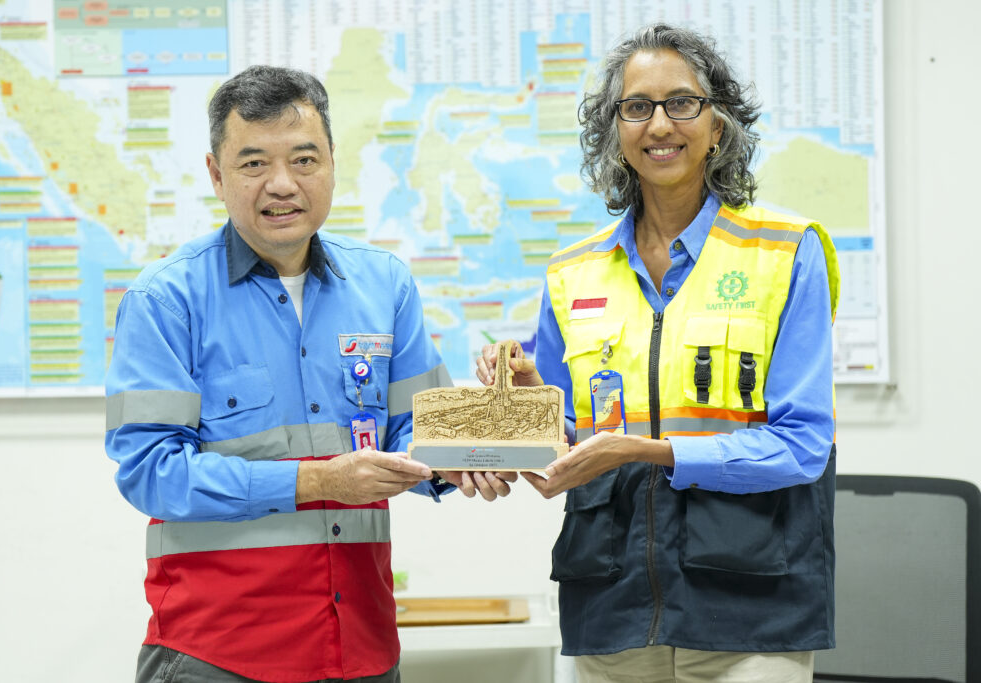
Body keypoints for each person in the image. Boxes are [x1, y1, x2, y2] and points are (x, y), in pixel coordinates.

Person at [105, 65, 514, 683]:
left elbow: (419, 430)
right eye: (253, 164)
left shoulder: (385, 285)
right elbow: (151, 472)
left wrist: (457, 460)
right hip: (217, 654)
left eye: (304, 160)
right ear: (216, 174)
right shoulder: (165, 300)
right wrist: (317, 481)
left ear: (331, 164)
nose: (282, 184)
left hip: (362, 647)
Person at [477, 24, 840, 682]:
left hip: (749, 607)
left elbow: (803, 445)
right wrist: (528, 403)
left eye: (682, 102)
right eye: (637, 107)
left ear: (718, 125)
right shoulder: (571, 271)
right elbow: (567, 447)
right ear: (615, 131)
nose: (660, 124)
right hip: (610, 602)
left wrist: (649, 452)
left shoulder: (787, 250)